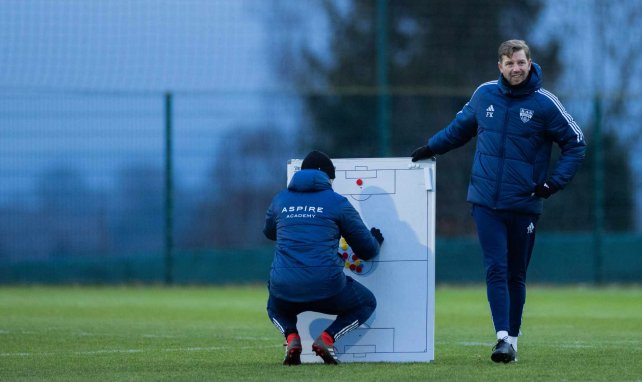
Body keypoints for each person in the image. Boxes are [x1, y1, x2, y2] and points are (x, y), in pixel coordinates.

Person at [411, 40, 586, 363]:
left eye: (521, 62)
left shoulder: (546, 104)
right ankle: (502, 338)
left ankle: (513, 340)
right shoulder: (484, 95)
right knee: (495, 268)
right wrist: (430, 147)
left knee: (515, 274)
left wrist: (554, 183)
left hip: (524, 205)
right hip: (486, 202)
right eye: (510, 63)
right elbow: (458, 130)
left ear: (530, 63)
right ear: (500, 66)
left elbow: (576, 143)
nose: (516, 68)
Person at [263, 150, 384, 365]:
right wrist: (375, 240)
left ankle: (291, 337)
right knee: (366, 303)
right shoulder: (337, 202)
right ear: (326, 177)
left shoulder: (280, 200)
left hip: (285, 287)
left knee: (274, 304)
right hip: (326, 287)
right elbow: (367, 250)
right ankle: (327, 338)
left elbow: (269, 232)